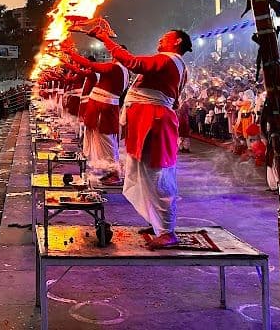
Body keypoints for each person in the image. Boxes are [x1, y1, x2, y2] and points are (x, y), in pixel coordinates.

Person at [92, 27, 191, 249]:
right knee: (144, 175)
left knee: (157, 177)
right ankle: (157, 223)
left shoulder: (168, 60)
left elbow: (134, 63)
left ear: (177, 42)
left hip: (154, 123)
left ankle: (167, 232)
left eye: (165, 37)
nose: (160, 38)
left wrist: (106, 39)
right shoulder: (175, 65)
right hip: (148, 121)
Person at [64, 49, 129, 185]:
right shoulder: (120, 69)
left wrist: (71, 54)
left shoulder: (115, 68)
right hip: (101, 109)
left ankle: (114, 173)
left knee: (107, 143)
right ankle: (106, 171)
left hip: (104, 111)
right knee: (101, 142)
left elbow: (90, 66)